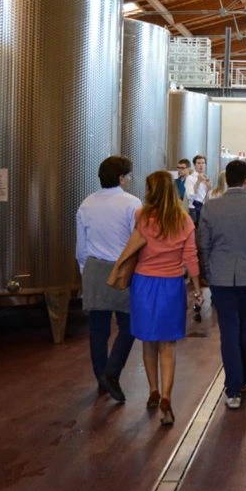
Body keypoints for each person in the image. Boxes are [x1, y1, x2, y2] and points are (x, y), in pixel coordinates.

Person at [115, 170, 202, 427]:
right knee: (168, 345)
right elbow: (191, 257)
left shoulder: (141, 216)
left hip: (143, 284)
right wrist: (197, 288)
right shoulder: (184, 221)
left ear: (151, 191)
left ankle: (152, 390)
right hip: (171, 286)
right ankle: (166, 397)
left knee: (148, 341)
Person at [197, 160, 246, 410]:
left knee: (229, 331)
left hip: (221, 278)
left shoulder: (211, 207)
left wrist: (209, 272)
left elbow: (203, 245)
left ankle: (232, 390)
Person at [76, 156, 142, 403]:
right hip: (123, 269)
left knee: (98, 329)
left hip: (94, 268)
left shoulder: (87, 203)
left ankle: (101, 379)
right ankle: (112, 372)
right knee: (129, 325)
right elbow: (136, 240)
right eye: (129, 175)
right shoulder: (132, 203)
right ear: (122, 178)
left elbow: (81, 246)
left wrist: (85, 270)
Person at [187, 155, 211, 224]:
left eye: (203, 163)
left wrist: (209, 187)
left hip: (204, 208)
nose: (201, 165)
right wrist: (198, 182)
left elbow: (207, 195)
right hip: (194, 209)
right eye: (199, 163)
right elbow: (190, 197)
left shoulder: (206, 177)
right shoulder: (190, 178)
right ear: (194, 165)